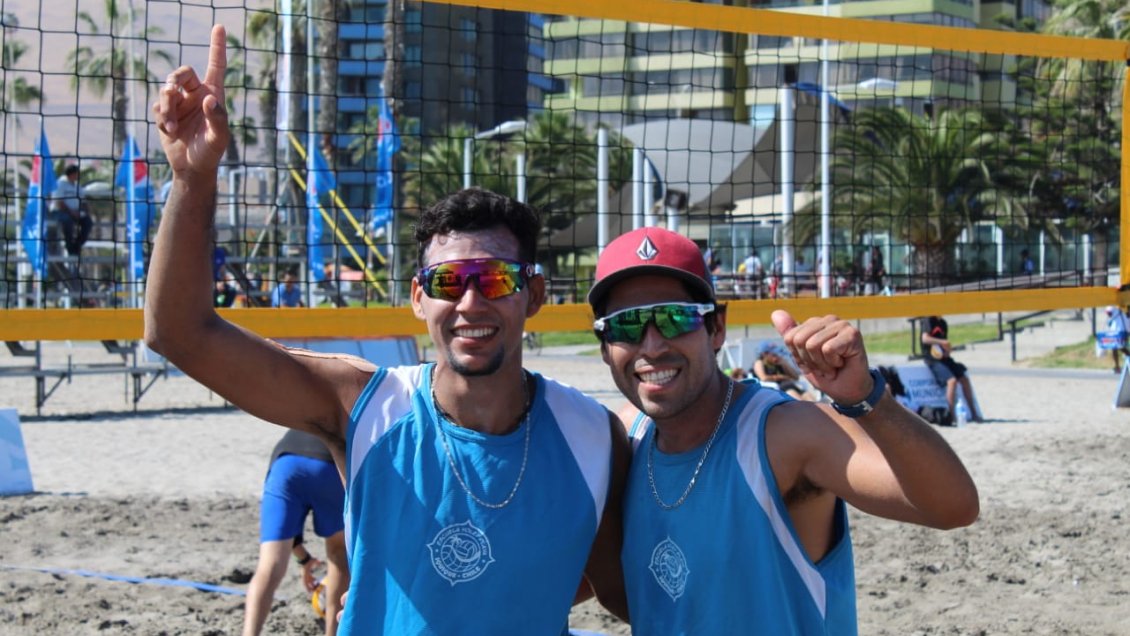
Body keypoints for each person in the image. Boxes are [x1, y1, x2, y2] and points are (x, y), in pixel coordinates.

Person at [147, 25, 628, 633]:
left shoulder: (594, 435)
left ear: (533, 295)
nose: (471, 301)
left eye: (496, 279)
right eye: (449, 281)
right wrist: (193, 179)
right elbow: (178, 333)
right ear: (419, 298)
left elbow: (616, 585)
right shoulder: (363, 404)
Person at [586, 226, 978, 634]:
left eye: (675, 318)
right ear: (605, 347)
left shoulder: (781, 435)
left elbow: (954, 507)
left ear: (717, 328)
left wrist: (867, 398)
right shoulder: (625, 439)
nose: (651, 346)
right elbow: (628, 595)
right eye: (625, 325)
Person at [244, 429, 348, 636]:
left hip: (285, 464)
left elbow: (285, 530)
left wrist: (304, 559)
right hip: (328, 463)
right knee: (338, 556)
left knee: (268, 566)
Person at [920, 315, 984, 422]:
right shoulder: (929, 320)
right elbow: (925, 339)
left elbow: (945, 344)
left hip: (944, 358)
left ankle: (974, 413)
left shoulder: (943, 323)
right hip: (932, 359)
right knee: (952, 381)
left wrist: (947, 350)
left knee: (964, 379)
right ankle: (952, 416)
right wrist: (942, 342)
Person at [751, 342, 818, 401]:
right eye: (774, 354)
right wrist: (782, 377)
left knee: (812, 401)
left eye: (777, 354)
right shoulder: (759, 363)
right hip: (779, 389)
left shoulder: (779, 363)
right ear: (764, 354)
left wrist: (785, 364)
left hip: (791, 386)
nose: (777, 356)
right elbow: (764, 378)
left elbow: (796, 377)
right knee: (800, 402)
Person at [52, 164, 93, 256]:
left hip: (75, 212)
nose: (78, 176)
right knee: (67, 221)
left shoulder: (77, 186)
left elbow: (83, 201)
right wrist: (72, 212)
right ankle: (70, 247)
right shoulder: (60, 184)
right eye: (77, 173)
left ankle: (77, 245)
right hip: (61, 211)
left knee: (88, 222)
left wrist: (86, 212)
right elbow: (59, 202)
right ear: (72, 174)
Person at [1099, 306, 1130, 373]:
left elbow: (1108, 311)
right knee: (1121, 346)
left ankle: (1117, 366)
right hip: (1126, 328)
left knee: (1116, 347)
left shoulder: (1114, 305)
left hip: (1117, 329)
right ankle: (1119, 366)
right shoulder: (1126, 304)